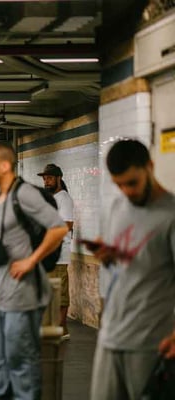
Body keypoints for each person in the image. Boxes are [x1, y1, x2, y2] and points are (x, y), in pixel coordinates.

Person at [81, 139, 175, 400]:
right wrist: (107, 254)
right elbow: (123, 261)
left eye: (132, 183)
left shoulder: (170, 215)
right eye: (119, 185)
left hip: (151, 342)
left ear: (150, 167)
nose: (126, 191)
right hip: (111, 334)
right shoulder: (118, 207)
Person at [0, 142, 67, 400]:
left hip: (23, 294)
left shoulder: (24, 193)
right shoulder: (1, 197)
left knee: (20, 361)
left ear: (5, 166)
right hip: (2, 294)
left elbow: (59, 228)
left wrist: (31, 261)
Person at [37, 163, 74, 338]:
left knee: (59, 292)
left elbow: (67, 225)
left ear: (59, 178)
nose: (46, 181)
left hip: (58, 254)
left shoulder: (63, 198)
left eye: (50, 178)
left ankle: (62, 328)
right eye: (45, 178)